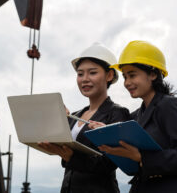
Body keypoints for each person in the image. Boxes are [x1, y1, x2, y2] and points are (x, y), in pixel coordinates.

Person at [89, 40, 177, 193]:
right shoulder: (135, 117)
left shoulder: (170, 105)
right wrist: (107, 132)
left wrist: (141, 157)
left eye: (132, 75)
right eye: (125, 77)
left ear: (153, 74)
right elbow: (133, 168)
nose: (127, 83)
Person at [38, 42, 130, 193]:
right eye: (80, 74)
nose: (85, 79)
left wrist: (71, 156)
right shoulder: (74, 116)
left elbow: (109, 163)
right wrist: (57, 123)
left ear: (109, 75)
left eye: (92, 73)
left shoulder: (117, 113)